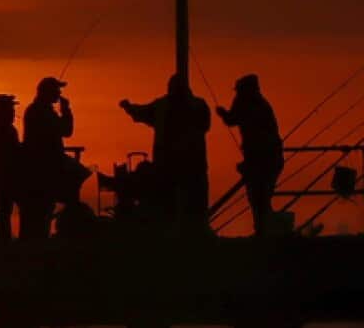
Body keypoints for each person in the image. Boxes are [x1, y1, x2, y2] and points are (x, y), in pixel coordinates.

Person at [120, 74, 211, 233]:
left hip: (172, 165)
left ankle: (182, 232)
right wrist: (129, 108)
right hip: (191, 165)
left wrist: (128, 107)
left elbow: (142, 112)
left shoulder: (164, 106)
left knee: (172, 202)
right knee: (192, 202)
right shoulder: (198, 105)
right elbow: (205, 126)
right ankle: (194, 231)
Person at [217, 74, 283, 236]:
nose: (237, 94)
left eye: (239, 90)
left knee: (258, 196)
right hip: (271, 158)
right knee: (262, 197)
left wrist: (222, 113)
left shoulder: (246, 103)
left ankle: (263, 231)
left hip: (261, 159)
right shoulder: (261, 104)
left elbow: (232, 119)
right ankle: (265, 230)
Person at [21, 77, 74, 239]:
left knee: (39, 210)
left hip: (39, 167)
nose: (59, 93)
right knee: (41, 208)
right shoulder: (42, 112)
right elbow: (66, 130)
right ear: (47, 92)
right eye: (56, 90)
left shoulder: (37, 110)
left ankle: (34, 241)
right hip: (43, 169)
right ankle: (37, 244)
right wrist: (66, 111)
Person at [0, 94, 23, 240]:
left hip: (3, 176)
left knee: (4, 210)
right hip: (6, 176)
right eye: (9, 108)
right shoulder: (2, 129)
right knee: (6, 210)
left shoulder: (1, 128)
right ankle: (7, 241)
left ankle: (5, 241)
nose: (13, 112)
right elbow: (10, 152)